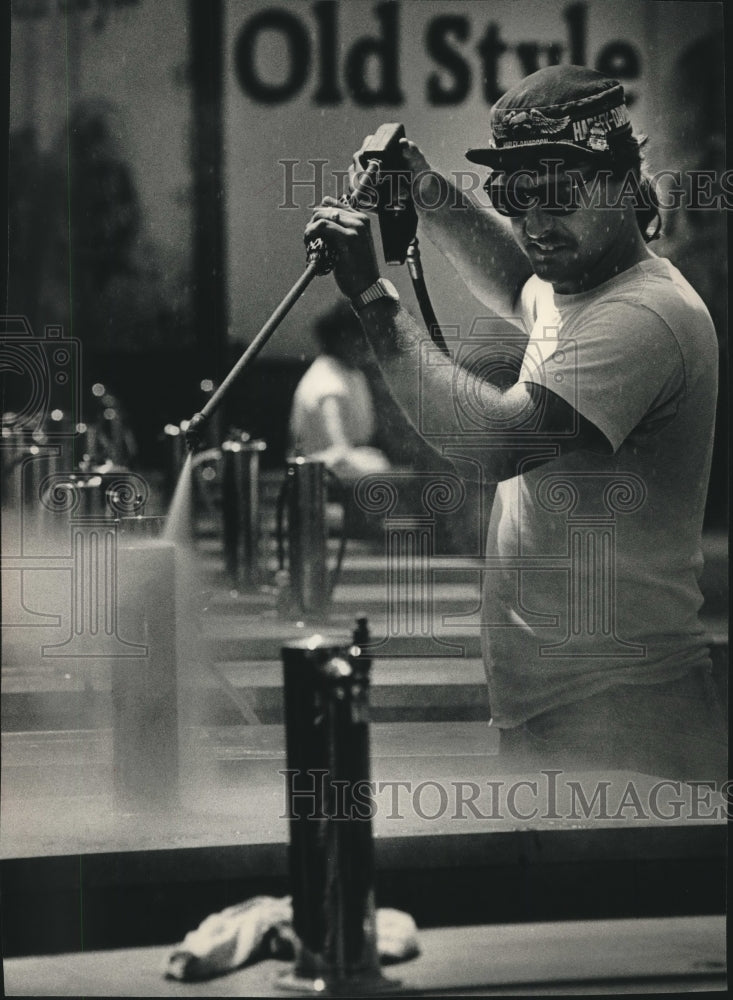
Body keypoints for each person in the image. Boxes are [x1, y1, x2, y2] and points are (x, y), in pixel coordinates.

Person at [304, 66, 726, 783]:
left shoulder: (643, 315)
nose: (533, 224)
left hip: (628, 711)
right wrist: (422, 184)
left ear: (623, 184)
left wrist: (371, 297)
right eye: (515, 195)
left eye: (557, 194)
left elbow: (495, 441)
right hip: (562, 704)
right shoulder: (578, 286)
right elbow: (510, 280)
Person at [288, 300, 391, 484]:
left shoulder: (352, 374)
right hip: (321, 477)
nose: (367, 344)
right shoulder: (327, 384)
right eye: (360, 337)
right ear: (341, 338)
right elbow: (339, 453)